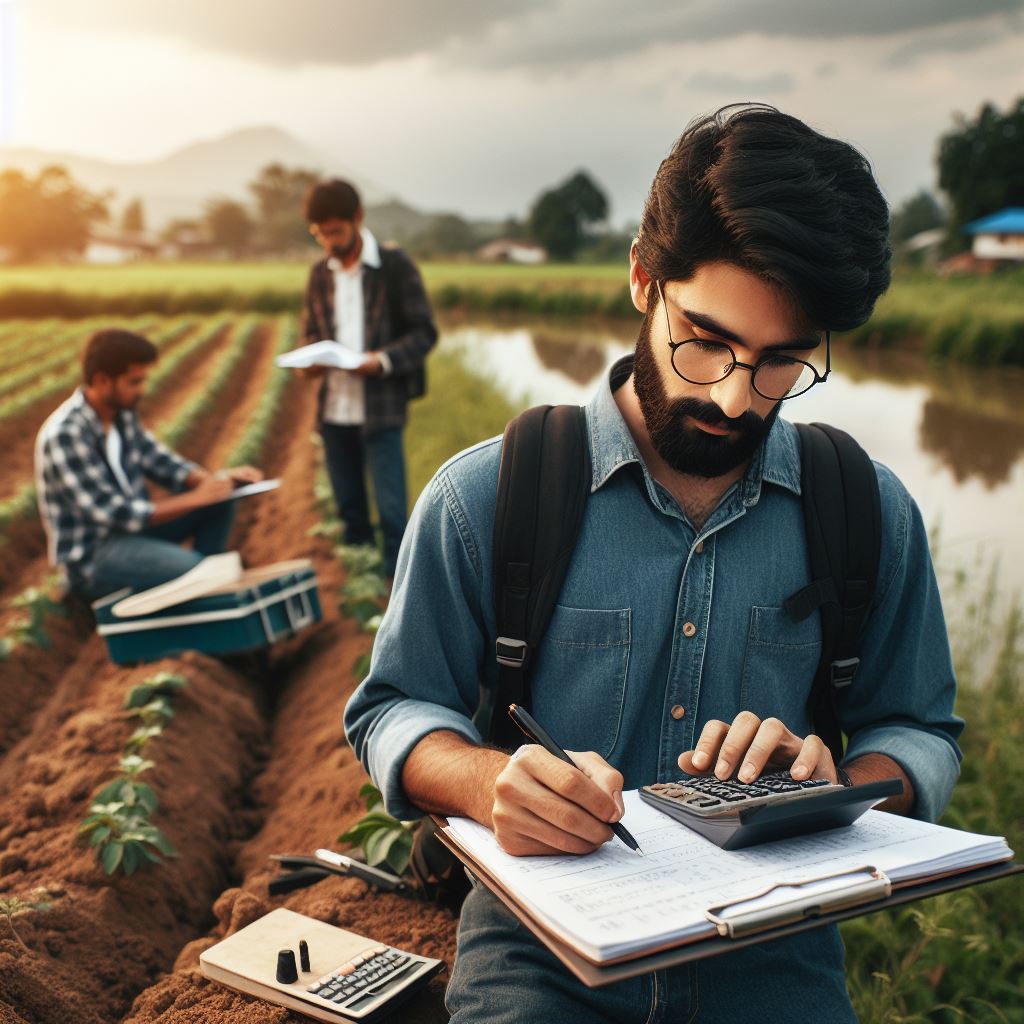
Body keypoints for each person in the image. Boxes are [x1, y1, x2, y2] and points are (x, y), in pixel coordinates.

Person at [344, 105, 963, 1022]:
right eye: (705, 338)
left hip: (774, 959)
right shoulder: (486, 499)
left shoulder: (869, 514)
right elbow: (395, 708)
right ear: (644, 278)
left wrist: (837, 784)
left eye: (780, 362)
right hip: (537, 957)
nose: (733, 393)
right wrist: (487, 781)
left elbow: (918, 731)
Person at [36, 328, 263, 599]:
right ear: (102, 380)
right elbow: (118, 514)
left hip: (134, 534)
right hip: (96, 554)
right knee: (197, 571)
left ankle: (204, 596)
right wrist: (197, 498)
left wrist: (217, 482)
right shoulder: (66, 434)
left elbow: (163, 462)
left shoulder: (120, 415)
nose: (143, 390)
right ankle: (202, 588)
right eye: (134, 382)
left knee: (220, 502)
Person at [299, 178, 437, 579]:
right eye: (320, 234)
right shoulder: (318, 275)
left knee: (394, 517)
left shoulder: (394, 267)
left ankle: (398, 601)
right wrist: (310, 359)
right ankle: (362, 593)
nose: (329, 241)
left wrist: (381, 361)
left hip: (380, 409)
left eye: (336, 231)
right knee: (350, 513)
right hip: (334, 411)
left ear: (357, 219)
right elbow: (310, 332)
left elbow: (424, 333)